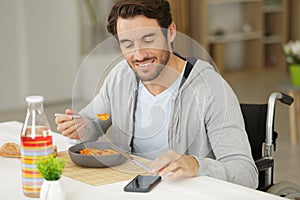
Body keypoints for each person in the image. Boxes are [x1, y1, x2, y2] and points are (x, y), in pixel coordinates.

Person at [55, 0, 258, 188]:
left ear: (170, 32)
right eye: (127, 44)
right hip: (130, 188)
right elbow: (94, 121)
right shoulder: (120, 77)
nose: (139, 55)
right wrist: (79, 127)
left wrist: (197, 165)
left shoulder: (210, 88)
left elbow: (246, 174)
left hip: (185, 192)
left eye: (148, 39)